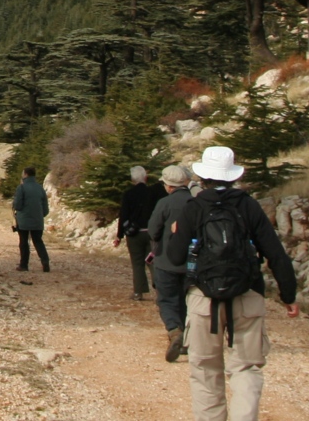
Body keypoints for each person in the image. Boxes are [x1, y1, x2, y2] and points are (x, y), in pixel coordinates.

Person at [179, 146, 298, 421]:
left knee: (205, 369)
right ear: (232, 175)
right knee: (246, 368)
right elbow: (276, 254)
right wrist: (288, 296)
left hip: (203, 299)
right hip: (247, 295)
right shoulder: (249, 206)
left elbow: (174, 255)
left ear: (204, 176)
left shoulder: (194, 207)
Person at [147, 164, 193, 362]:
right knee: (187, 300)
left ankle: (175, 330)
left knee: (166, 299)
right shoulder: (196, 203)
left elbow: (153, 230)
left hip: (166, 260)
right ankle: (188, 338)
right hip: (192, 262)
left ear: (168, 185)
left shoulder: (164, 203)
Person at [115, 165, 162, 300]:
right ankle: (159, 290)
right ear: (146, 178)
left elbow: (123, 215)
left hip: (134, 234)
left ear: (132, 179)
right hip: (151, 232)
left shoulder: (128, 194)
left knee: (137, 263)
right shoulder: (152, 193)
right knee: (152, 261)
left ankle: (138, 292)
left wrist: (119, 235)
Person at [12, 166, 50, 272]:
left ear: (25, 174)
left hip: (23, 220)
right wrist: (39, 215)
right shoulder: (40, 188)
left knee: (24, 242)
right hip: (37, 220)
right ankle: (45, 261)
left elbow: (18, 206)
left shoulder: (21, 188)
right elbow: (45, 208)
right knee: (38, 241)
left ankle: (24, 265)